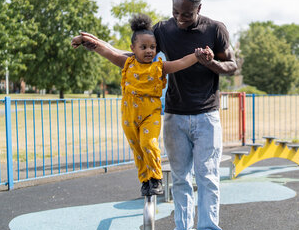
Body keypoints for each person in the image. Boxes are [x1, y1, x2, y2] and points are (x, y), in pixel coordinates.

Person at [71, 0, 237, 230]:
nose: (180, 18)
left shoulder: (215, 30)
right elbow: (135, 55)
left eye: (186, 13)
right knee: (181, 179)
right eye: (175, 12)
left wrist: (211, 63)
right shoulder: (163, 29)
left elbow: (232, 65)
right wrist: (97, 44)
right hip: (174, 114)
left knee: (207, 178)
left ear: (199, 9)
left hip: (207, 114)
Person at [72, 13, 211, 196]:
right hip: (129, 116)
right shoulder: (126, 63)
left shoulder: (160, 67)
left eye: (152, 47)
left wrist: (197, 55)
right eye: (143, 47)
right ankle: (145, 181)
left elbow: (181, 62)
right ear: (133, 48)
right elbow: (105, 50)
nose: (149, 51)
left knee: (149, 143)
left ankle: (156, 178)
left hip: (149, 115)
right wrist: (83, 39)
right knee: (137, 149)